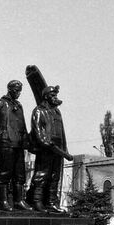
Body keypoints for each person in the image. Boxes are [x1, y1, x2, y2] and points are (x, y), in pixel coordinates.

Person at [0, 80, 32, 212]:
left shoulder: (19, 105)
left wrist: (26, 140)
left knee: (19, 174)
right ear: (10, 89)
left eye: (20, 90)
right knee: (5, 172)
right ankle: (2, 200)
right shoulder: (0, 103)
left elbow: (22, 125)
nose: (19, 93)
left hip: (19, 144)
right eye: (17, 90)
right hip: (5, 142)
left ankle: (18, 200)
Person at [29, 85, 73, 213]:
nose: (55, 98)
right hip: (46, 149)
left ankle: (51, 203)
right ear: (46, 96)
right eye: (53, 95)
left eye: (56, 95)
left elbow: (62, 133)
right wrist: (46, 143)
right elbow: (37, 131)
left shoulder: (57, 112)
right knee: (42, 175)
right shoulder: (39, 111)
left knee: (55, 177)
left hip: (58, 150)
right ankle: (37, 201)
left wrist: (65, 150)